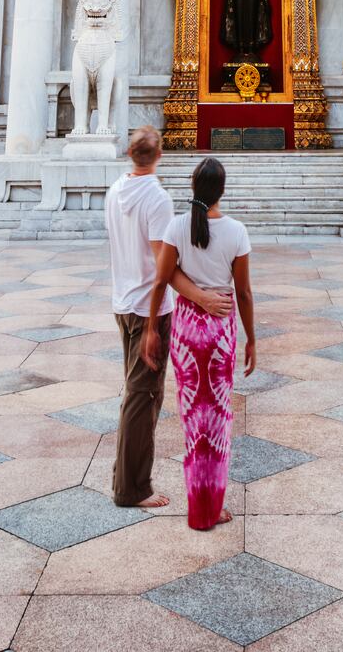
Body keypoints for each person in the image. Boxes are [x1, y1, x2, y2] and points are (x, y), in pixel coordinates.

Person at [105, 126, 232, 510]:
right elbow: (164, 264)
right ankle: (132, 488)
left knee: (136, 393)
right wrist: (201, 298)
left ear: (129, 153)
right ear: (159, 155)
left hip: (123, 301)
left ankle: (124, 476)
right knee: (143, 396)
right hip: (148, 309)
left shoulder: (116, 190)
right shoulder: (156, 198)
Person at [143, 155, 256, 531]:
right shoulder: (236, 231)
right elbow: (244, 292)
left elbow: (161, 281)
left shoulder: (177, 227)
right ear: (222, 191)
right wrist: (251, 339)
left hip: (187, 332)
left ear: (193, 188)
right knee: (218, 421)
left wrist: (151, 329)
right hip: (221, 332)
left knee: (193, 420)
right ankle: (213, 506)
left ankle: (198, 506)